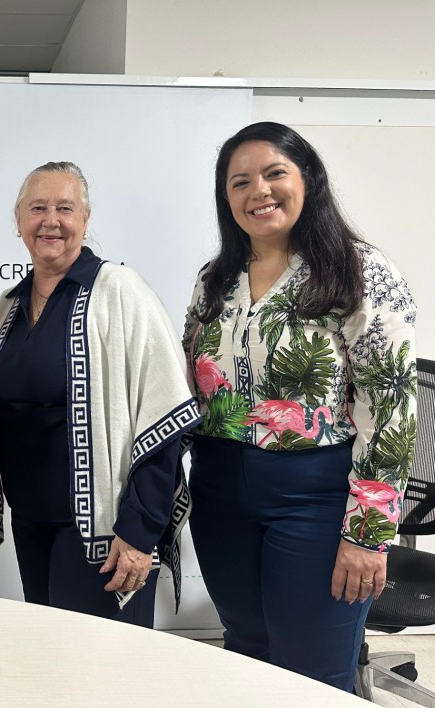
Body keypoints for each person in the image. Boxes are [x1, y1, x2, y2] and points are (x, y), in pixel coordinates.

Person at [183, 122, 417, 690]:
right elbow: (191, 389)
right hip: (219, 493)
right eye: (240, 182)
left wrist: (366, 534)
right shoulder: (215, 279)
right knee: (245, 654)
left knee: (312, 674)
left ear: (307, 179)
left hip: (314, 498)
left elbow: (391, 407)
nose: (258, 191)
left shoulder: (357, 271)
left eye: (274, 174)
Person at [0, 161, 200, 626]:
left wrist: (139, 532)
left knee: (102, 662)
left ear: (85, 219)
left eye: (65, 208)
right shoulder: (5, 308)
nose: (50, 221)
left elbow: (164, 416)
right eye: (38, 208)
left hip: (106, 531)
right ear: (18, 220)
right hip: (31, 521)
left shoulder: (120, 291)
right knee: (50, 654)